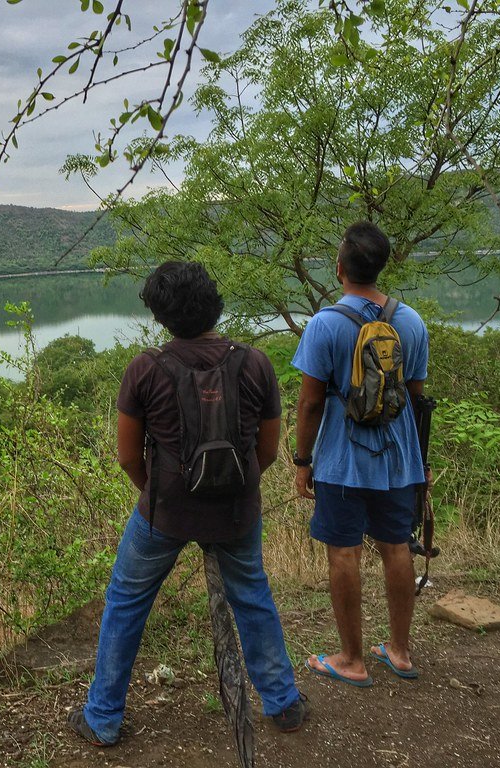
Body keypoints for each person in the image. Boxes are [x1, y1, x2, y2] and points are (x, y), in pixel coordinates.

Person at [67, 261, 308, 747]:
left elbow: (127, 457)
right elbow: (265, 452)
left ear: (161, 316)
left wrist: (159, 492)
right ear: (214, 302)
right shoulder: (255, 363)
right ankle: (282, 704)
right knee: (253, 598)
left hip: (165, 511)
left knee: (125, 602)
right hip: (238, 511)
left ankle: (103, 718)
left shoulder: (145, 368)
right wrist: (234, 489)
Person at [291, 221, 429, 686]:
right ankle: (400, 651)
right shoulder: (409, 321)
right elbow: (415, 397)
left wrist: (302, 462)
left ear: (340, 268)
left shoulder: (325, 324)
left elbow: (310, 402)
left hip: (342, 459)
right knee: (396, 545)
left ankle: (351, 659)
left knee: (343, 553)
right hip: (398, 457)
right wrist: (420, 462)